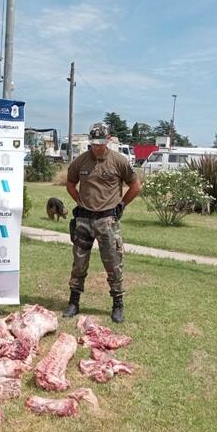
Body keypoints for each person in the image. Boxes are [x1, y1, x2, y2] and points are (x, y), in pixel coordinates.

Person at [63, 123, 141, 323]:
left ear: (108, 140)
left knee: (113, 263)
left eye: (101, 142)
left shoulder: (119, 161)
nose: (97, 147)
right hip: (84, 220)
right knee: (79, 263)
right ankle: (73, 302)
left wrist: (122, 204)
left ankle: (117, 304)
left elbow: (135, 185)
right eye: (94, 143)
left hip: (107, 220)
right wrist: (79, 200)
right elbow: (70, 183)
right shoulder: (81, 161)